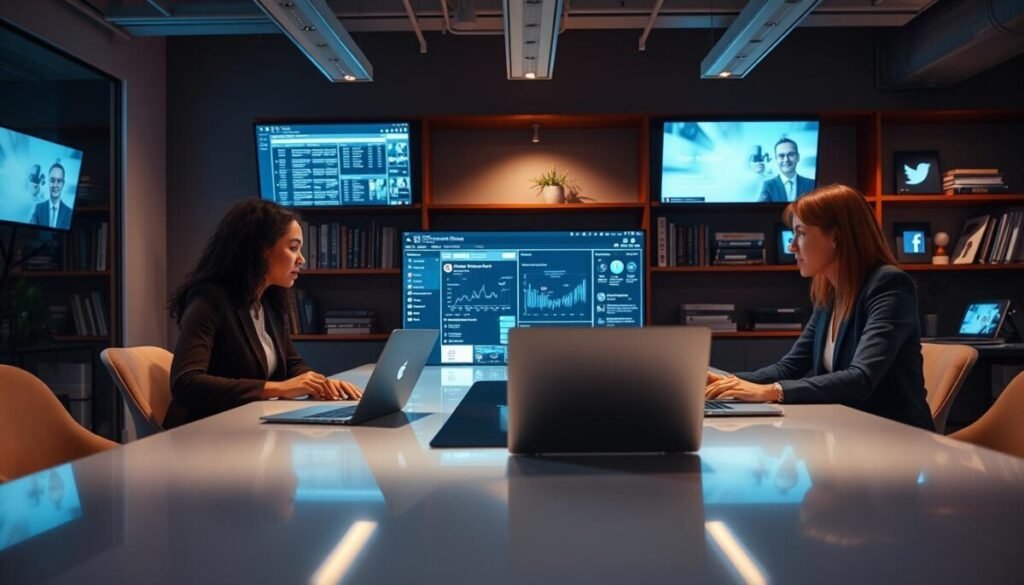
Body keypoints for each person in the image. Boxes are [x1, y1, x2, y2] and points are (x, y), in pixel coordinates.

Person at [706, 184, 935, 431]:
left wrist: (770, 391)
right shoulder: (830, 292)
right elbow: (789, 368)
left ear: (835, 236)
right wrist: (726, 381)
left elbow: (861, 379)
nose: (791, 246)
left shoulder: (889, 285)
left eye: (801, 233)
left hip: (895, 439)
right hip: (848, 434)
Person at [165, 198, 363, 428]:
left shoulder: (268, 301)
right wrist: (278, 388)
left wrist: (320, 384)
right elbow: (186, 384)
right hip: (205, 432)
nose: (302, 259)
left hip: (247, 426)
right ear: (260, 250)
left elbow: (291, 364)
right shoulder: (209, 300)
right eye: (293, 247)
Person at [758, 138, 815, 203]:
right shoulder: (768, 185)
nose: (786, 160)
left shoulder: (812, 184)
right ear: (776, 160)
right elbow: (759, 210)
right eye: (781, 156)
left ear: (798, 157)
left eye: (791, 154)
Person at [30, 162, 72, 229]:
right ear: (48, 182)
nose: (55, 185)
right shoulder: (38, 208)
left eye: (59, 181)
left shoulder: (69, 213)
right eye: (52, 180)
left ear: (63, 184)